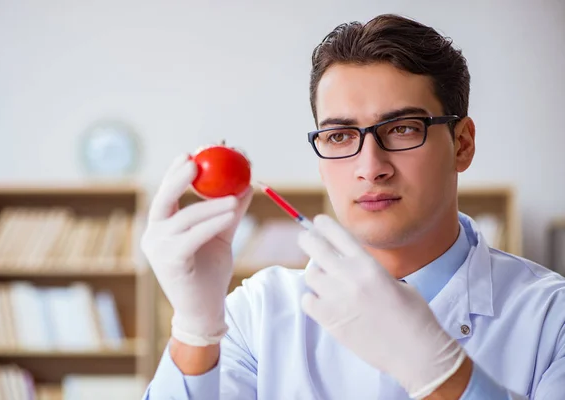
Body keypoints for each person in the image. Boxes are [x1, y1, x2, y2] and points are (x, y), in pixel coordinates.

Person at [140, 13, 565, 399]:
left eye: (402, 128)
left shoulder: (552, 318)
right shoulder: (257, 314)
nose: (370, 168)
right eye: (340, 136)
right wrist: (195, 332)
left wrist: (445, 376)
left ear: (462, 144)